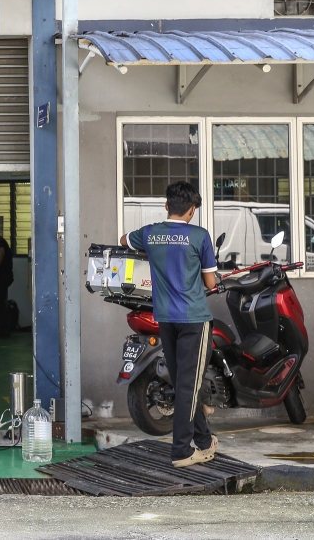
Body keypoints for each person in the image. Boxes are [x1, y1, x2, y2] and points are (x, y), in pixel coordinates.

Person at [121, 181, 219, 468]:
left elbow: (124, 239)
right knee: (189, 386)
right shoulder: (199, 236)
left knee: (183, 383)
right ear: (192, 210)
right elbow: (210, 282)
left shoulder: (150, 233)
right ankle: (181, 451)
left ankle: (204, 441)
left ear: (166, 206)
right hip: (194, 319)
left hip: (165, 319)